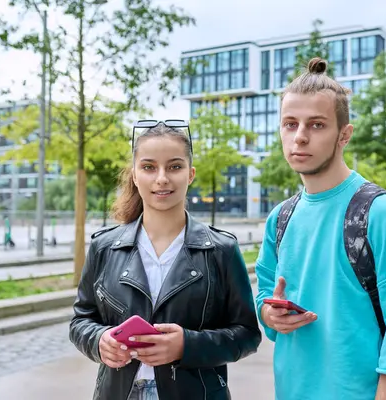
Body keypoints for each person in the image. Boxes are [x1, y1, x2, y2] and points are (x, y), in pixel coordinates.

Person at [255, 58, 386, 400]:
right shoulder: (279, 219)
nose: (300, 137)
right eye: (290, 124)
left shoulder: (380, 214)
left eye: (317, 125)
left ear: (345, 134)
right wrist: (270, 313)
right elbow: (263, 296)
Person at [69, 120, 262, 400]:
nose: (162, 178)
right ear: (134, 175)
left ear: (190, 174)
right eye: (148, 167)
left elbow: (246, 334)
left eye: (174, 167)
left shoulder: (222, 249)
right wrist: (99, 341)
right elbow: (81, 321)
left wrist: (187, 345)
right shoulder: (104, 247)